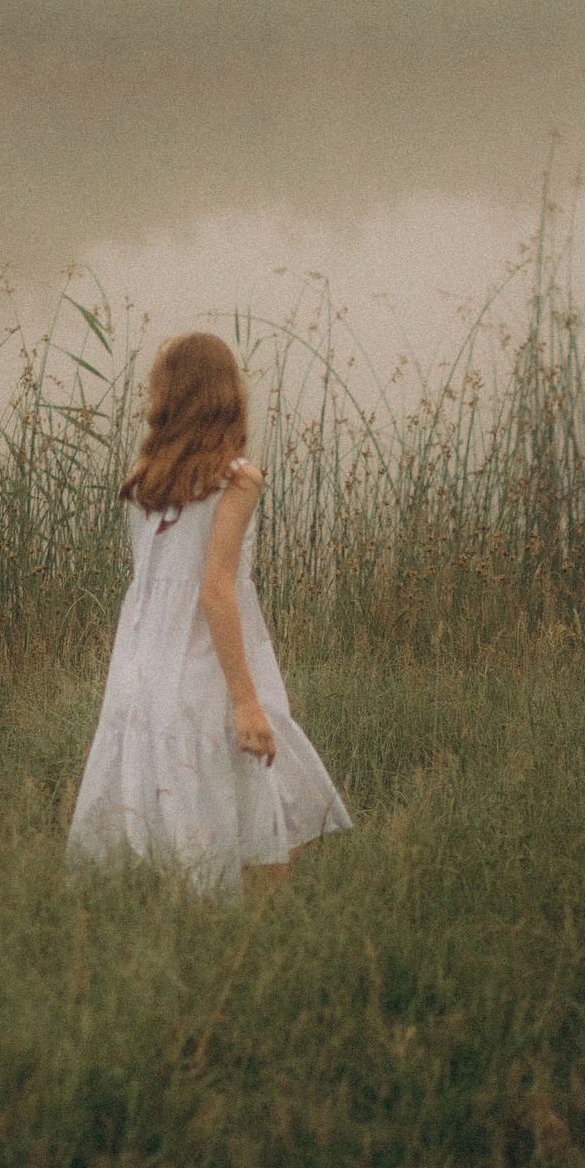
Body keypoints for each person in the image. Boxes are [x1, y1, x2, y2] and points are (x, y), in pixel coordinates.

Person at [65, 330, 352, 898]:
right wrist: (245, 698)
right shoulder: (237, 479)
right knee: (252, 783)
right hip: (206, 656)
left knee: (183, 783)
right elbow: (216, 590)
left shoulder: (144, 475)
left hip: (144, 657)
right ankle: (234, 930)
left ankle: (188, 907)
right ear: (228, 395)